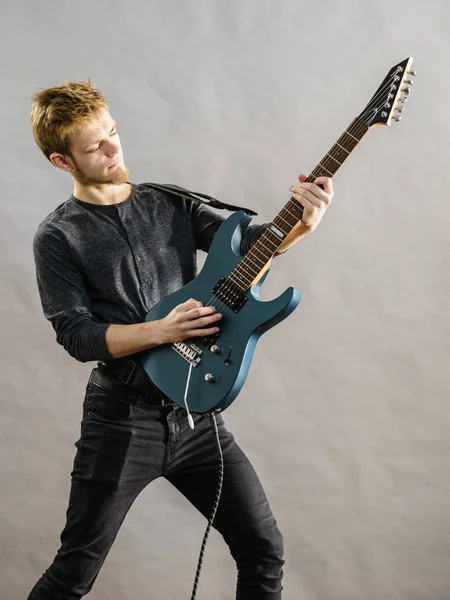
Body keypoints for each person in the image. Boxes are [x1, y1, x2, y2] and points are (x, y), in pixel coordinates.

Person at [27, 79, 333, 600]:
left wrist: (303, 225)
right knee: (73, 573)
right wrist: (162, 331)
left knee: (263, 549)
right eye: (95, 146)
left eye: (114, 132)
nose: (114, 148)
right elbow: (77, 335)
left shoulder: (168, 203)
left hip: (196, 415)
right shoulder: (58, 236)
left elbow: (246, 250)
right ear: (62, 161)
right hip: (122, 420)